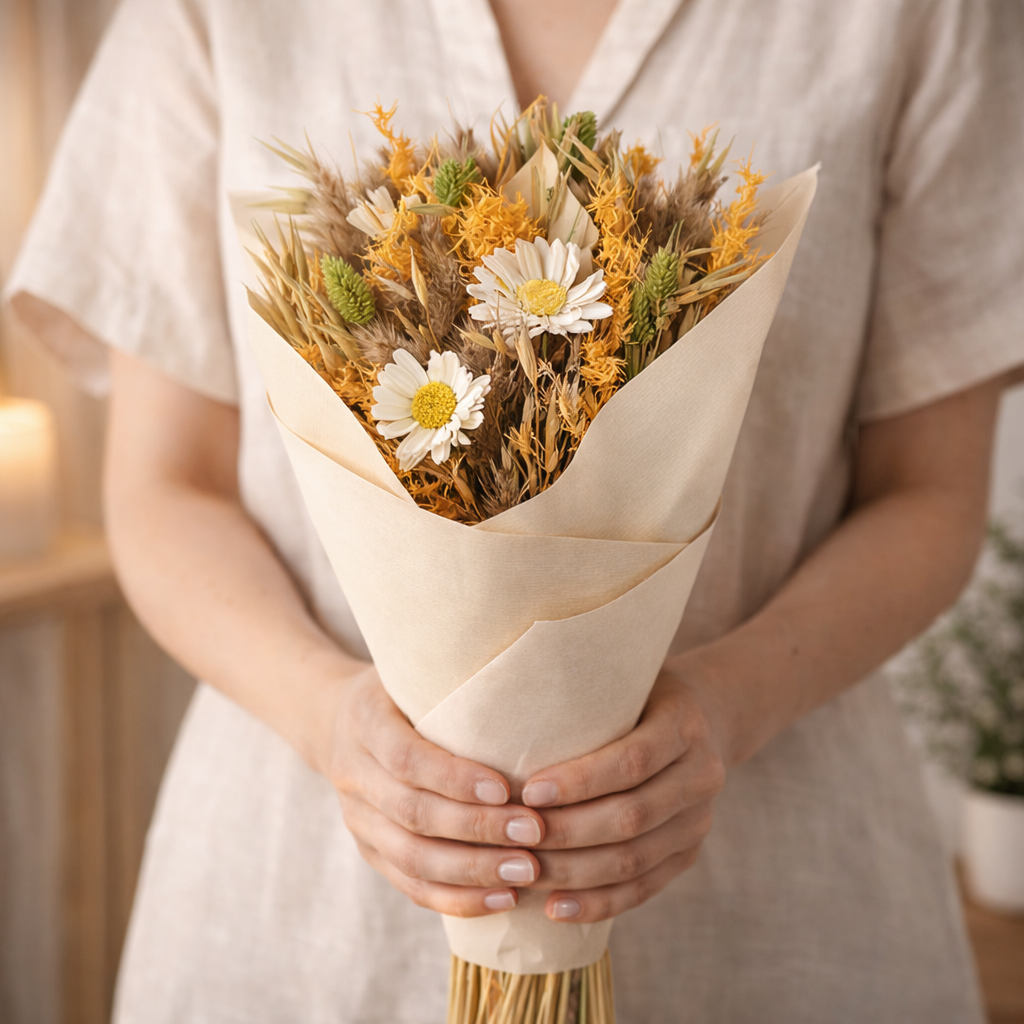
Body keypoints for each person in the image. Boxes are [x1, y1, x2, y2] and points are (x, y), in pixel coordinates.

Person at [6, 0, 1024, 1020]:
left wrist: (729, 704)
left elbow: (927, 492)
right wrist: (327, 719)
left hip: (773, 885)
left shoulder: (913, 17)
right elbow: (163, 484)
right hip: (303, 895)